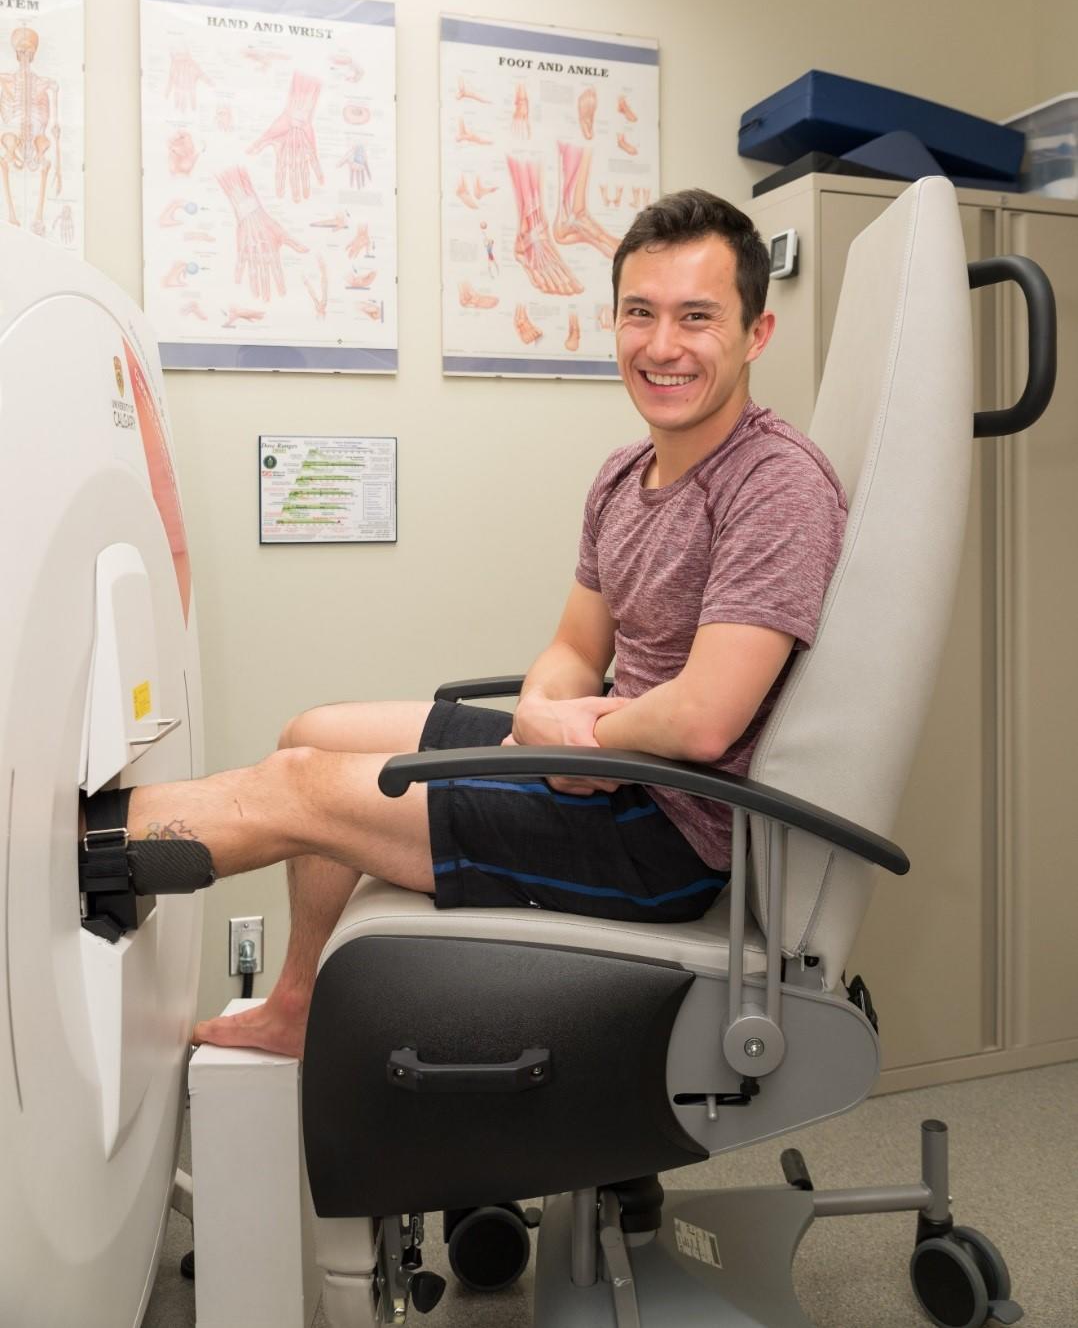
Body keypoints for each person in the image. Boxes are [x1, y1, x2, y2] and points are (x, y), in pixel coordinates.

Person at [79, 189, 847, 1060]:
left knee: (299, 787)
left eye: (697, 317)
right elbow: (574, 647)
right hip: (603, 765)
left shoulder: (777, 486)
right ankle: (297, 1004)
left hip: (665, 835)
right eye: (640, 313)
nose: (661, 345)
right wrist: (544, 716)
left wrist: (576, 735)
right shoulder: (623, 474)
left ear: (757, 334)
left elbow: (707, 717)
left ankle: (50, 849)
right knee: (311, 730)